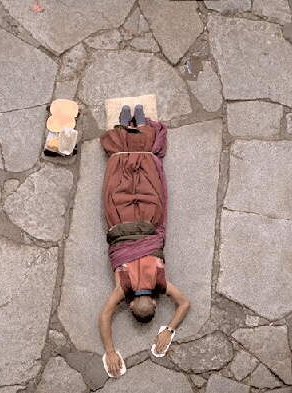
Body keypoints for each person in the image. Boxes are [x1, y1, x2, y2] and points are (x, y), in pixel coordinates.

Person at [99, 105, 190, 377]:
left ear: (155, 301)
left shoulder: (160, 284)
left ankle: (139, 128)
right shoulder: (123, 289)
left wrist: (170, 328)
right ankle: (129, 129)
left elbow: (184, 304)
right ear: (129, 305)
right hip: (122, 225)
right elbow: (104, 317)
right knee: (121, 184)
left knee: (148, 184)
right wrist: (111, 350)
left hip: (148, 224)